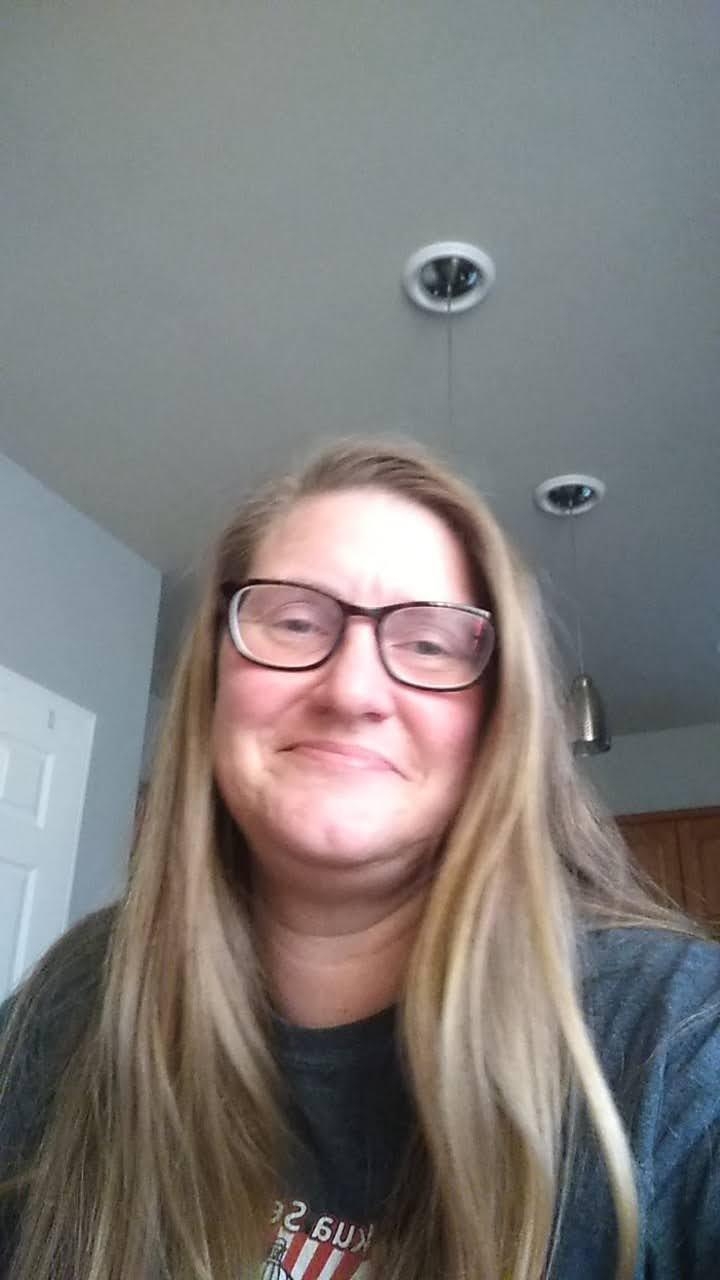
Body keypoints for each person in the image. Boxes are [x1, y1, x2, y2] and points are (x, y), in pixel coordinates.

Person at [0, 438, 718, 1280]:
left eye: (429, 645)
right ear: (213, 684)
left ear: (499, 722)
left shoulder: (673, 1040)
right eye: (295, 623)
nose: (351, 691)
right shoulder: (78, 993)